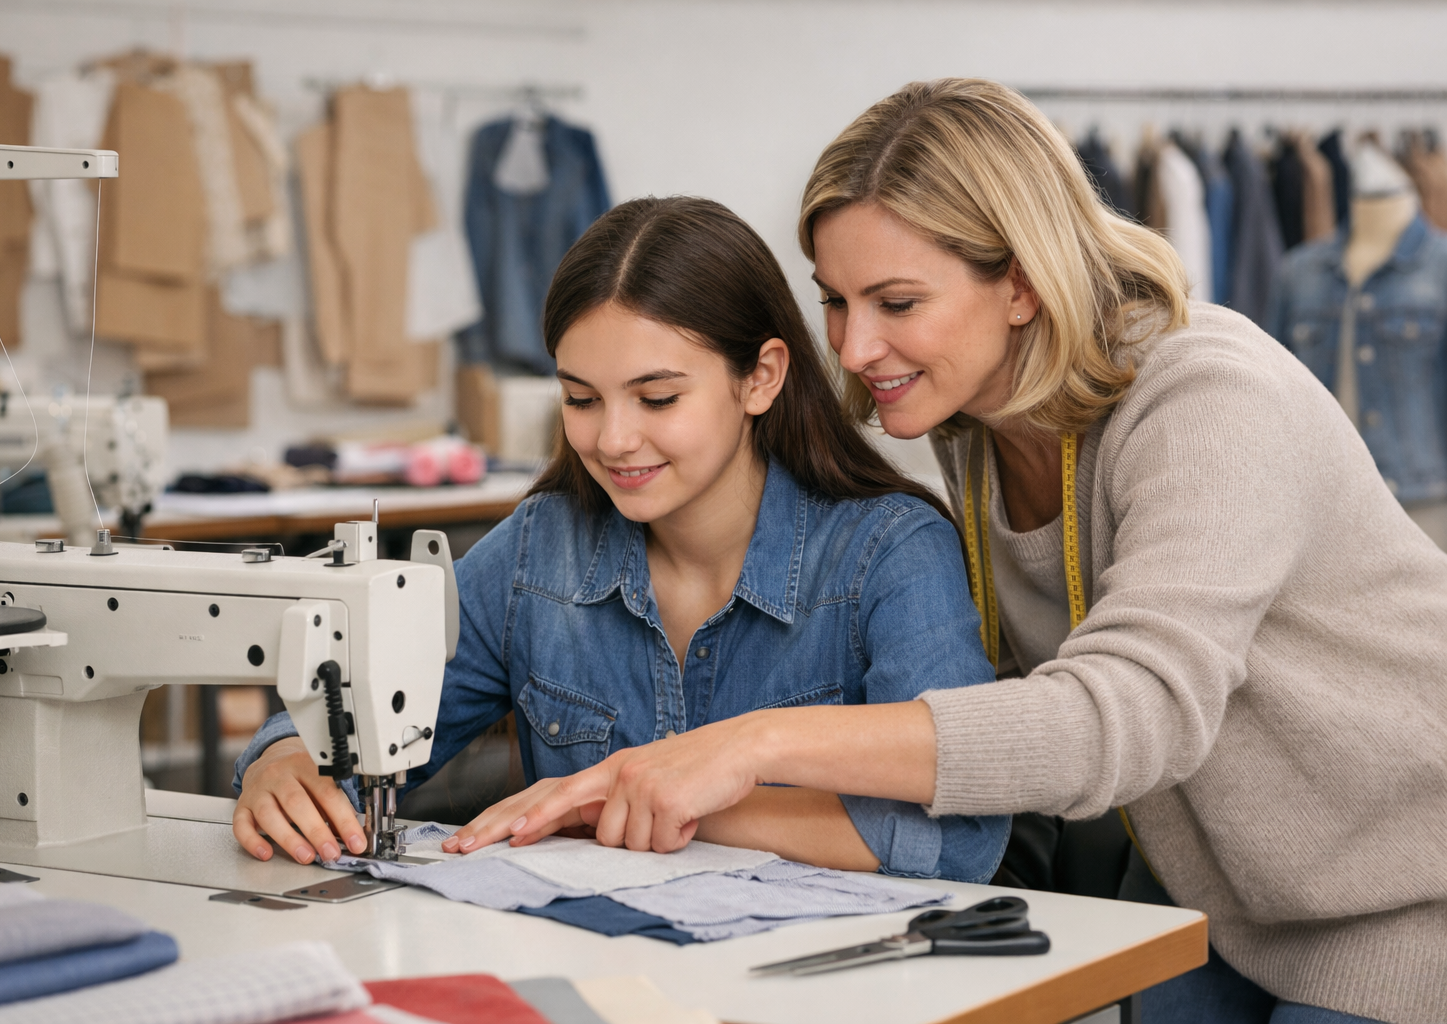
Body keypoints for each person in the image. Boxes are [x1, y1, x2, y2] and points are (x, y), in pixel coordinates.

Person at [450, 82, 1447, 1024]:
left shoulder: (1207, 402)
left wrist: (743, 745)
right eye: (835, 302)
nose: (852, 346)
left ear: (1018, 283)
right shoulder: (976, 427)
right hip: (1214, 889)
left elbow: (1124, 714)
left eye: (895, 302)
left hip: (1395, 893)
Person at [230, 195, 1007, 882]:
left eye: (657, 397)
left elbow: (962, 839)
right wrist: (284, 759)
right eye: (580, 398)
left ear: (761, 378)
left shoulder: (889, 554)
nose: (613, 440)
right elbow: (360, 712)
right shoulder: (540, 550)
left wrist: (636, 803)